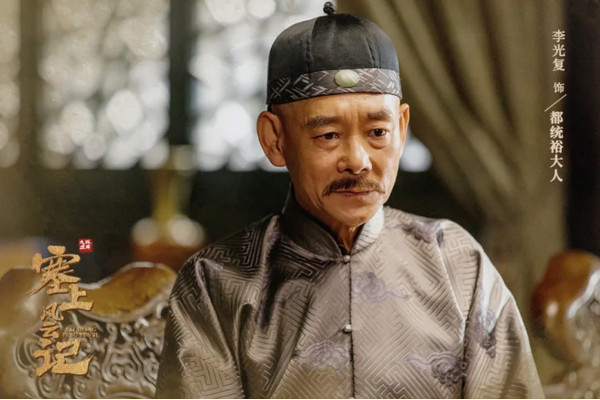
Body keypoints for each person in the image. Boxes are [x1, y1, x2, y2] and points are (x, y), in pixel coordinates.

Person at [156, 3, 544, 398]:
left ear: (401, 129)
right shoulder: (216, 282)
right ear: (275, 139)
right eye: (328, 135)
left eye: (377, 132)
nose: (358, 162)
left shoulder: (458, 263)